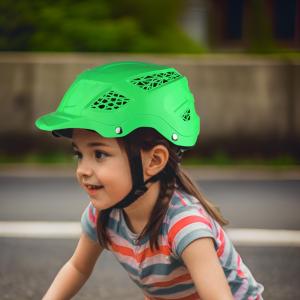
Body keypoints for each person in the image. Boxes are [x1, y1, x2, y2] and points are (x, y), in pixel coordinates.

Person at [35, 61, 264, 300]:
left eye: (99, 154)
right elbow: (77, 268)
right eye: (78, 154)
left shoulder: (184, 225)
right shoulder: (102, 214)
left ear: (154, 160)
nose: (82, 169)